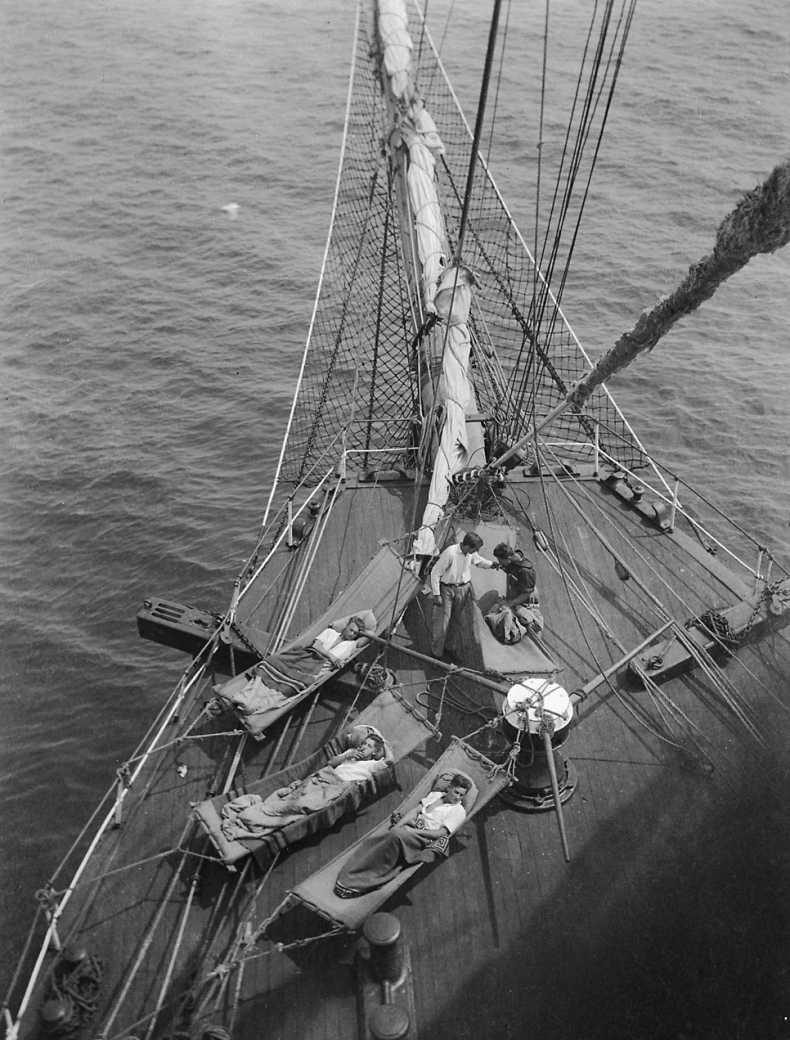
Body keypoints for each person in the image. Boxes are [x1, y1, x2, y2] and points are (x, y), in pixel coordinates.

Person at [220, 732, 390, 841]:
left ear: (374, 752)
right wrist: (348, 755)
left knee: (298, 806)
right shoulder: (350, 753)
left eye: (368, 746)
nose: (363, 747)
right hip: (322, 778)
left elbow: (390, 759)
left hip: (333, 789)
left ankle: (251, 816)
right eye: (363, 743)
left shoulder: (372, 765)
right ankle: (255, 814)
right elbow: (331, 763)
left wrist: (379, 741)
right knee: (290, 796)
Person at [334, 773, 472, 898]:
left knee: (396, 836)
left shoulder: (458, 811)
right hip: (412, 827)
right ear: (449, 788)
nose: (457, 797)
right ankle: (354, 871)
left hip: (424, 837)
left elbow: (440, 834)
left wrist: (412, 831)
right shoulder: (435, 795)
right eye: (456, 792)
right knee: (385, 837)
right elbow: (415, 811)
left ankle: (358, 880)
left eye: (461, 795)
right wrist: (398, 825)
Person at [216, 615, 372, 716]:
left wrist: (330, 655)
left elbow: (368, 638)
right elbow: (316, 647)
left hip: (316, 667)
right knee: (273, 662)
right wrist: (331, 656)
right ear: (345, 626)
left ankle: (250, 704)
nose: (351, 633)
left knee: (294, 684)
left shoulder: (350, 646)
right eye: (350, 629)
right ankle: (245, 698)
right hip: (306, 657)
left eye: (355, 633)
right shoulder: (330, 632)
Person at [430, 532, 496, 658]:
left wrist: (493, 565)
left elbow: (479, 561)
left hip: (463, 589)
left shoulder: (470, 553)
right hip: (447, 590)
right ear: (467, 546)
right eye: (475, 549)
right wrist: (437, 594)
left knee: (456, 621)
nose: (476, 551)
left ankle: (450, 647)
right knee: (442, 623)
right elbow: (435, 573)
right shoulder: (450, 553)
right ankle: (436, 653)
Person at [491, 543, 543, 638]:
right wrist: (501, 566)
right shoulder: (513, 561)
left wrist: (509, 604)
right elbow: (510, 568)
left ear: (508, 558)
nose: (500, 562)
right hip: (517, 599)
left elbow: (526, 594)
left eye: (500, 560)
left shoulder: (526, 571)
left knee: (522, 620)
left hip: (527, 605)